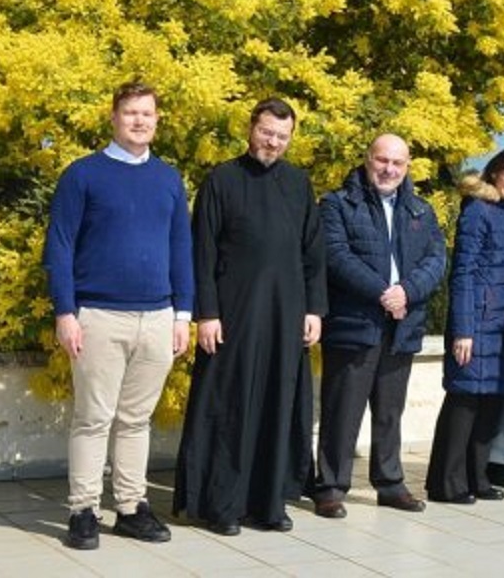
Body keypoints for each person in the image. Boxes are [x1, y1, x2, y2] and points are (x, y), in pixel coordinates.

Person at [43, 80, 194, 550]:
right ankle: (83, 509)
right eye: (131, 112)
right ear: (114, 117)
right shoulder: (83, 175)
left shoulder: (168, 179)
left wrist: (182, 312)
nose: (139, 121)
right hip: (98, 316)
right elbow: (60, 247)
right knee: (93, 418)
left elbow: (180, 248)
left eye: (147, 113)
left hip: (157, 318)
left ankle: (130, 507)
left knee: (135, 420)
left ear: (157, 120)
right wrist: (66, 313)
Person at [173, 98, 327, 536]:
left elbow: (313, 252)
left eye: (281, 136)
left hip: (287, 315)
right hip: (233, 318)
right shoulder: (221, 179)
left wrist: (314, 308)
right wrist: (206, 314)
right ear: (251, 128)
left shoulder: (299, 184)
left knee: (279, 407)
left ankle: (268, 504)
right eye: (266, 132)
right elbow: (200, 252)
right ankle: (222, 504)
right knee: (230, 407)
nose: (272, 142)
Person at [311, 134, 446, 517]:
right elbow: (336, 255)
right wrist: (382, 292)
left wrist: (405, 291)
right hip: (355, 324)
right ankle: (331, 487)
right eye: (382, 160)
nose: (389, 169)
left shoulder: (421, 211)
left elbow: (436, 261)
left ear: (407, 168)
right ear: (368, 159)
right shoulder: (337, 204)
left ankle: (390, 483)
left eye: (397, 163)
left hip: (401, 326)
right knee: (343, 409)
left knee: (390, 411)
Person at [425, 147, 504, 504]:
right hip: (477, 323)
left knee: (490, 405)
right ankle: (446, 483)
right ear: (494, 173)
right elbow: (463, 272)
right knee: (464, 403)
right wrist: (463, 330)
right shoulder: (476, 211)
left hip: (501, 327)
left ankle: (477, 477)